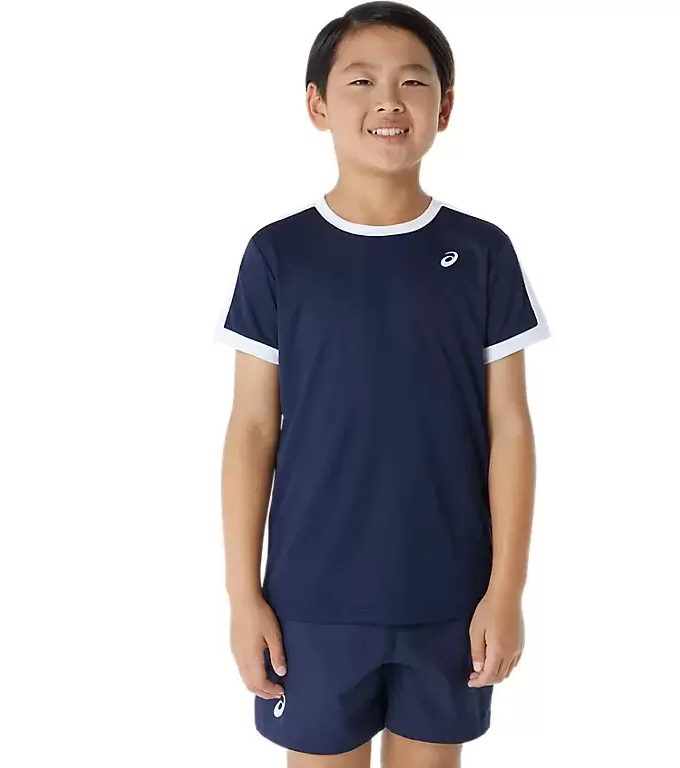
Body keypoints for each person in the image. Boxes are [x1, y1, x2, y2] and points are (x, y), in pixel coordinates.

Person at [214, 3, 551, 766]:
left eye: (414, 82)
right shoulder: (279, 254)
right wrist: (243, 595)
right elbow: (252, 430)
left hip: (450, 597)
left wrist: (505, 590)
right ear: (318, 105)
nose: (389, 101)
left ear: (446, 106)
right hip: (311, 602)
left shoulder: (481, 252)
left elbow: (511, 427)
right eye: (361, 81)